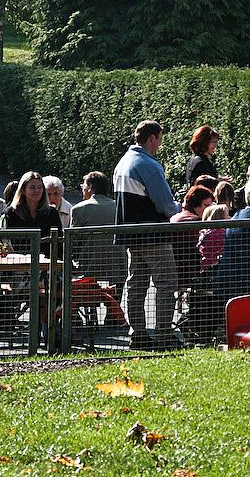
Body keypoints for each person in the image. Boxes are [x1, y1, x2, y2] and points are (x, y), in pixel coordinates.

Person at [113, 120, 180, 351]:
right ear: (152, 138)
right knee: (166, 284)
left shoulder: (123, 163)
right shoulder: (149, 165)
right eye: (160, 138)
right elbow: (165, 205)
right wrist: (179, 207)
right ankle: (164, 334)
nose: (160, 143)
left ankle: (137, 333)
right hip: (154, 234)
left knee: (136, 285)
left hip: (131, 234)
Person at [70, 171, 126, 286]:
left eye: (83, 185)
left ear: (90, 187)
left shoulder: (78, 209)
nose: (82, 188)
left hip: (88, 269)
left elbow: (72, 242)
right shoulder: (119, 207)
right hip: (118, 268)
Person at [1, 171, 63, 255]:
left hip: (47, 260)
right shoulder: (12, 212)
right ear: (23, 190)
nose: (37, 190)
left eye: (40, 187)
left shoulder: (52, 213)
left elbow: (58, 242)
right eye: (32, 187)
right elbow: (11, 243)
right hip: (21, 259)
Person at [198, 204, 229, 272]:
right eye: (227, 215)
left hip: (205, 267)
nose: (229, 217)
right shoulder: (220, 233)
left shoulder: (204, 233)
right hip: (217, 267)